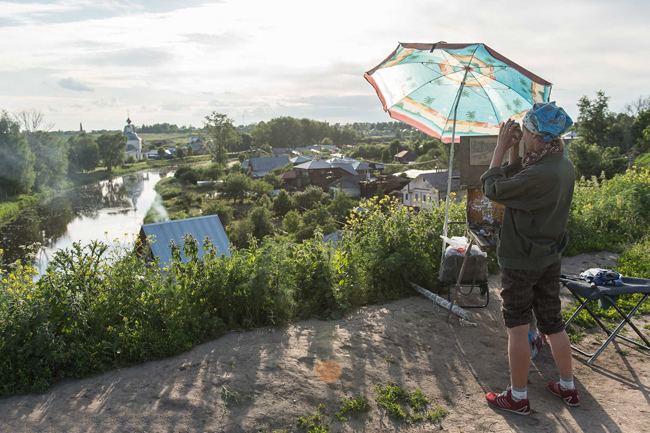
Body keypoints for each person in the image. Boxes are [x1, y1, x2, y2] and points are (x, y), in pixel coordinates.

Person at [480, 101, 578, 415]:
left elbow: (493, 189)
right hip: (550, 254)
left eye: (527, 132)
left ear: (535, 135)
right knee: (552, 323)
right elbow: (522, 175)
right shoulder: (560, 163)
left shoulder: (540, 173)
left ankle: (518, 396)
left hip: (522, 259)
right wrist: (513, 151)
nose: (525, 137)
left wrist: (498, 148)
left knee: (518, 328)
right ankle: (568, 387)